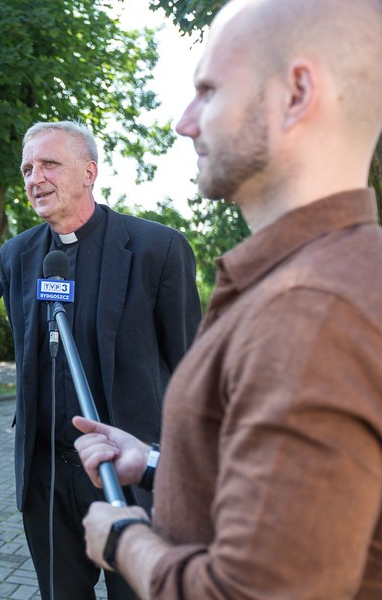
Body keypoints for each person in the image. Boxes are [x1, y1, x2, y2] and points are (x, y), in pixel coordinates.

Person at [72, 1, 382, 598]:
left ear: (296, 93)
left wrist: (123, 541)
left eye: (209, 90)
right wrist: (162, 464)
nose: (185, 122)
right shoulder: (319, 278)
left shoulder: (310, 309)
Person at [0, 120, 201, 600]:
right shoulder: (17, 255)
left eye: (49, 163)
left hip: (132, 478)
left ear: (89, 172)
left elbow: (190, 373)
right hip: (46, 479)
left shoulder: (158, 249)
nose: (34, 177)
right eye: (27, 168)